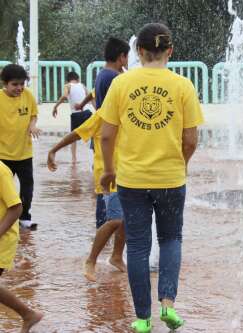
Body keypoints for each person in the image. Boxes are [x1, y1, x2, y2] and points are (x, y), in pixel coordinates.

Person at [99, 23, 204, 332]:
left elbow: (106, 135)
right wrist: (179, 164)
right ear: (169, 51)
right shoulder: (183, 86)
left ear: (138, 52)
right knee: (171, 239)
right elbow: (191, 140)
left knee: (139, 247)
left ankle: (143, 318)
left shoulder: (121, 83)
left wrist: (108, 169)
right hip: (171, 178)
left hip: (132, 179)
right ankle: (168, 305)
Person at [47, 110, 126, 282]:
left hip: (129, 174)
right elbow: (77, 133)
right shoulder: (103, 115)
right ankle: (91, 260)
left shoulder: (130, 112)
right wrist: (53, 150)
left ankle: (117, 256)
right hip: (108, 175)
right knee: (116, 220)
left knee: (126, 218)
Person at [77, 37, 129, 232]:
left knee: (103, 184)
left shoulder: (103, 74)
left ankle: (104, 226)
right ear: (121, 57)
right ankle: (107, 227)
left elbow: (92, 96)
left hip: (101, 133)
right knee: (109, 183)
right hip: (111, 137)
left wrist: (82, 105)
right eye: (127, 57)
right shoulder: (114, 78)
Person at [0, 161, 43, 332]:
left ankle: (28, 314)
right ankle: (28, 314)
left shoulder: (1, 171)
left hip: (3, 237)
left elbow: (16, 208)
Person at [0, 64, 41, 230]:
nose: (19, 88)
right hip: (3, 155)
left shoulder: (28, 96)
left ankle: (24, 217)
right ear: (5, 83)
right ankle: (5, 219)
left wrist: (32, 125)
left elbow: (33, 114)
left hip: (24, 154)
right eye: (15, 84)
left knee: (27, 189)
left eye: (22, 84)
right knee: (3, 191)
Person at [52, 71, 92, 162]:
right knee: (94, 134)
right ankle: (96, 154)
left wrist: (55, 106)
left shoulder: (67, 86)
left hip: (76, 115)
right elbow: (91, 97)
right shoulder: (82, 85)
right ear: (78, 79)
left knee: (73, 138)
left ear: (67, 80)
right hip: (87, 113)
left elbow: (64, 96)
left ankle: (74, 158)